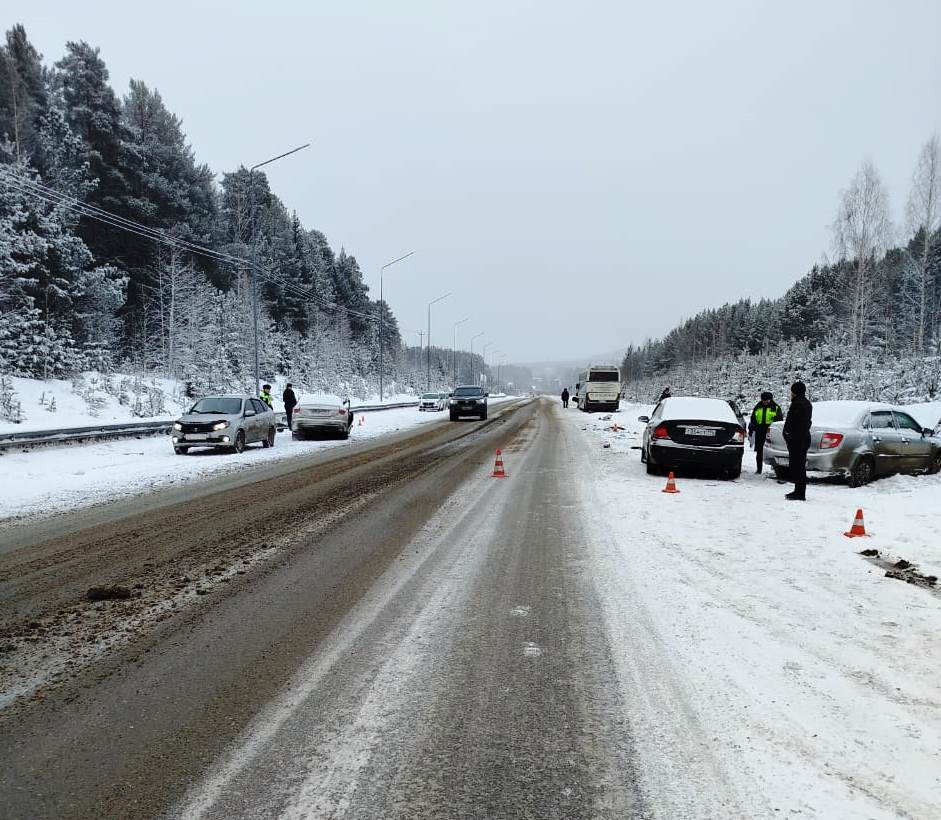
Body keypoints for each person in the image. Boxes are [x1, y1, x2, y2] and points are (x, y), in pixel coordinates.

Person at [782, 380, 812, 501]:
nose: (791, 394)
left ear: (795, 392)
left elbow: (795, 423)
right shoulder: (806, 403)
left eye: (792, 391)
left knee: (798, 467)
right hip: (801, 439)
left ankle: (800, 493)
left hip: (798, 441)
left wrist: (789, 435)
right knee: (798, 466)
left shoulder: (798, 404)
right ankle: (798, 490)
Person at [748, 391, 784, 474]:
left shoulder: (775, 407)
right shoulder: (758, 407)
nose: (765, 402)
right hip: (759, 432)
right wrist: (754, 427)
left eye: (767, 400)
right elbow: (753, 418)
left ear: (770, 400)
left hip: (770, 433)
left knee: (773, 451)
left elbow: (779, 420)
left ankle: (776, 469)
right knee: (759, 452)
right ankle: (759, 469)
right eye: (763, 400)